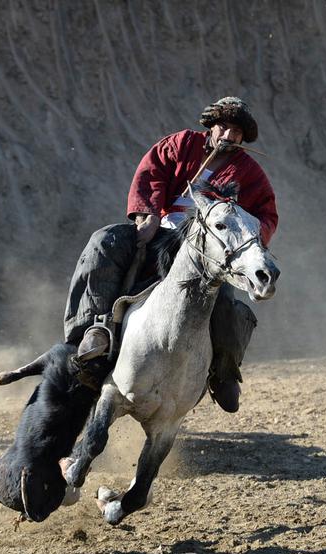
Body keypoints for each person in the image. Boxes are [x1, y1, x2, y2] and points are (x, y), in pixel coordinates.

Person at [64, 96, 278, 412]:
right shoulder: (181, 143)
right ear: (211, 125)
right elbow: (151, 173)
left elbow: (266, 214)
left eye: (237, 131)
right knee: (103, 242)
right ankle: (91, 332)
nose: (229, 136)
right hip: (161, 233)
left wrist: (245, 241)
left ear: (244, 137)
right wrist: (146, 215)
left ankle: (223, 372)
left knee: (226, 305)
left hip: (209, 249)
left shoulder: (250, 172)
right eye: (224, 127)